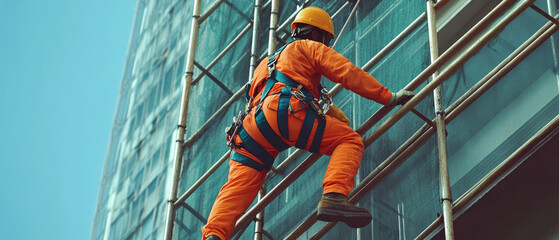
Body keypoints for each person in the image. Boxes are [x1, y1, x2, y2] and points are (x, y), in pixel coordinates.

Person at [201, 6, 414, 240]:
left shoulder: (268, 63)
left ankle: (214, 235)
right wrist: (388, 97)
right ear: (317, 35)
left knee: (236, 189)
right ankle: (334, 195)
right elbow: (348, 73)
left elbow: (308, 97)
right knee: (348, 140)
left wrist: (339, 119)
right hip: (283, 114)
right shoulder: (310, 48)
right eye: (326, 41)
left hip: (251, 129)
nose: (327, 46)